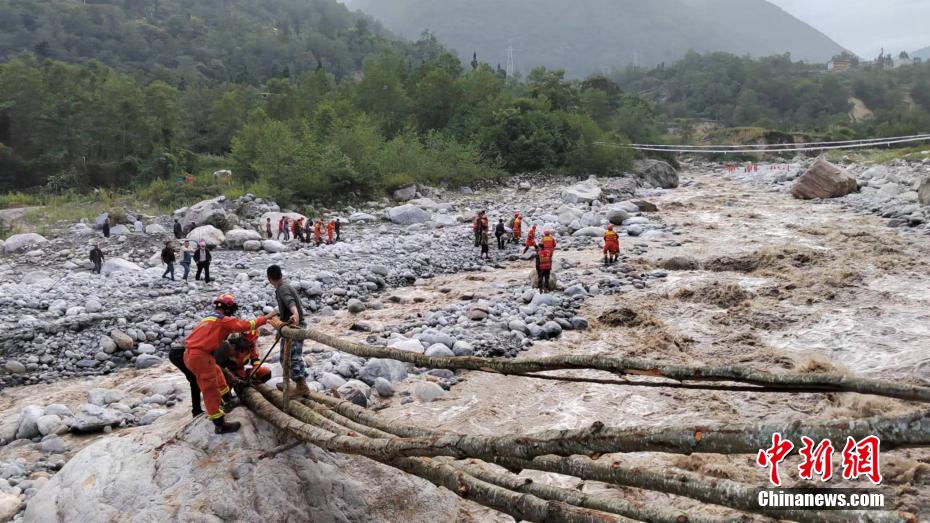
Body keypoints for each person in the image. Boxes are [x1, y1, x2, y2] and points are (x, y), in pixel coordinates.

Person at [178, 294, 275, 432]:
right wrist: (266, 318)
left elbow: (254, 357)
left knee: (217, 372)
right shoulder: (223, 321)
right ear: (228, 308)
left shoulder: (208, 319)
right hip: (200, 356)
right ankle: (220, 424)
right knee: (210, 390)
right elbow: (246, 325)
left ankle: (227, 399)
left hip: (191, 354)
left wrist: (254, 368)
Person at [266, 264, 311, 398]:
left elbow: (291, 304)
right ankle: (293, 383)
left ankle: (302, 387)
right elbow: (287, 307)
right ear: (281, 275)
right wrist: (277, 328)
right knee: (285, 357)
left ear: (269, 279)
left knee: (292, 357)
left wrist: (295, 315)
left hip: (295, 327)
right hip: (289, 327)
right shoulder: (284, 286)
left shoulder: (282, 289)